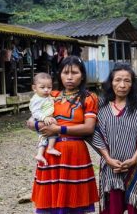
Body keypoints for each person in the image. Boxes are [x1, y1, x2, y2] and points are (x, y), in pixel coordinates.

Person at [27, 56, 100, 213]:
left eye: (74, 73)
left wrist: (59, 130)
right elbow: (30, 122)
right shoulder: (50, 95)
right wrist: (40, 124)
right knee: (50, 202)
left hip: (75, 153)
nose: (69, 77)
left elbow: (89, 128)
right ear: (59, 75)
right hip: (50, 154)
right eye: (65, 73)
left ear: (82, 75)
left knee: (73, 203)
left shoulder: (89, 98)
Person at [91, 64, 137, 214]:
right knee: (113, 209)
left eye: (127, 81)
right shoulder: (101, 106)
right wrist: (108, 159)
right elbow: (95, 135)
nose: (122, 85)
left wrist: (135, 159)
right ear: (110, 83)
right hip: (111, 169)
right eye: (117, 80)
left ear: (132, 84)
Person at [30, 72, 60, 165]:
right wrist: (44, 118)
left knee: (44, 137)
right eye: (42, 87)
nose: (46, 90)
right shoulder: (36, 99)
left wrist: (55, 100)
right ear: (34, 88)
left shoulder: (45, 96)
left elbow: (49, 101)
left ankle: (40, 154)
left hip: (47, 118)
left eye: (49, 87)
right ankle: (49, 148)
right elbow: (35, 112)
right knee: (46, 135)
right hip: (41, 119)